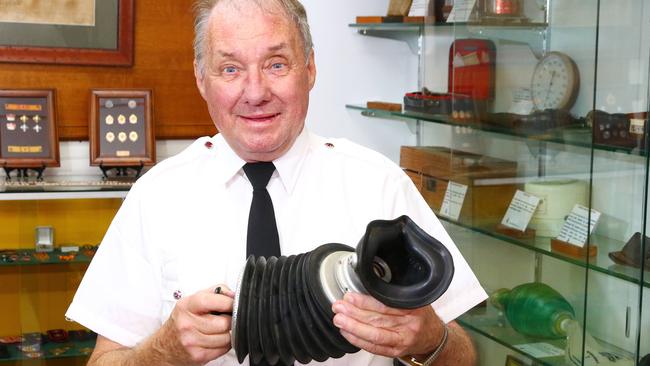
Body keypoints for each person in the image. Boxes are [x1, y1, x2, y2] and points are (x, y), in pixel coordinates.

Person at [66, 0, 488, 365]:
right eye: (230, 68)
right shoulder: (155, 197)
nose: (255, 92)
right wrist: (166, 351)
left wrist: (431, 340)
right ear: (201, 80)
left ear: (309, 69)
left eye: (276, 64)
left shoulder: (380, 186)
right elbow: (104, 360)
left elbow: (464, 355)